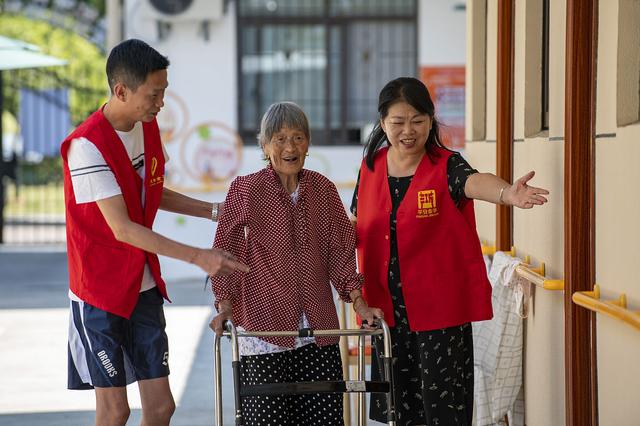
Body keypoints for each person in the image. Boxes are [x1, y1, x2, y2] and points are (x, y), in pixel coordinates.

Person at [61, 39, 249, 426]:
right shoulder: (87, 146)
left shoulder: (145, 126)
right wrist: (200, 256)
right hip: (99, 292)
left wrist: (217, 211)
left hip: (141, 285)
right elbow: (123, 228)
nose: (161, 102)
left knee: (161, 408)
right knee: (115, 411)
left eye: (164, 92)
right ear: (121, 90)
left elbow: (151, 192)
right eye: (154, 94)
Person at [351, 77, 549, 426]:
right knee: (400, 411)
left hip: (439, 314)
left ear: (431, 120)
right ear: (383, 123)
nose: (408, 131)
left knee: (445, 411)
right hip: (387, 314)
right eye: (398, 122)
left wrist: (507, 194)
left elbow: (474, 182)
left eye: (418, 120)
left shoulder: (446, 164)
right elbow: (356, 222)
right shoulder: (371, 167)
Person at [209, 101, 383, 425]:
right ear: (264, 145)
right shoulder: (246, 190)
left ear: (308, 144)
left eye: (298, 137)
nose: (290, 147)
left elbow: (341, 255)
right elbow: (225, 250)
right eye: (280, 138)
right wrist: (225, 306)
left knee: (325, 419)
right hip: (264, 330)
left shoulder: (324, 191)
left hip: (320, 331)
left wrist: (359, 303)